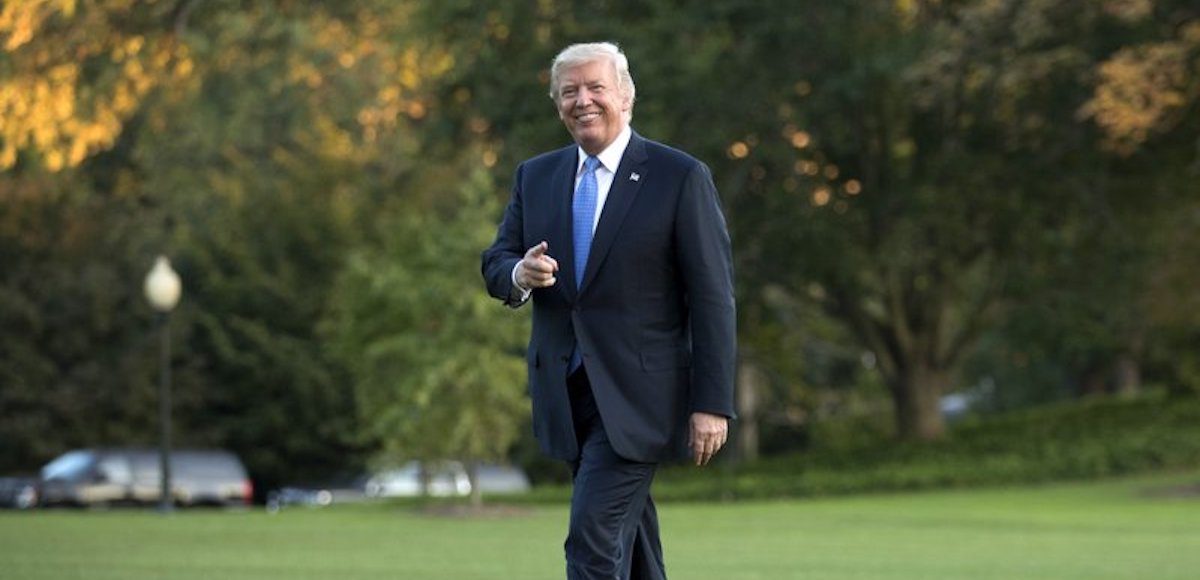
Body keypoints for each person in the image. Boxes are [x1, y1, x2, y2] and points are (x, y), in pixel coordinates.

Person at [481, 41, 736, 580]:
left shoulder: (679, 176)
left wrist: (712, 402)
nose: (583, 100)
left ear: (626, 96)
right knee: (632, 541)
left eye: (596, 87)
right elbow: (497, 260)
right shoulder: (536, 176)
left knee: (592, 542)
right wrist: (518, 275)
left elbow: (712, 297)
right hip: (566, 393)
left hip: (641, 397)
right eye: (569, 91)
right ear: (556, 105)